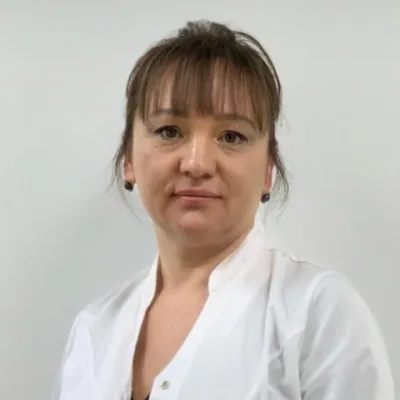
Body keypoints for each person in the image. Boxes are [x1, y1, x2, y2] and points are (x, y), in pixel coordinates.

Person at [54, 20, 394, 400]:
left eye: (232, 136)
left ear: (268, 171)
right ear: (128, 159)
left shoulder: (318, 314)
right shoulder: (93, 331)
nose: (197, 163)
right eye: (169, 131)